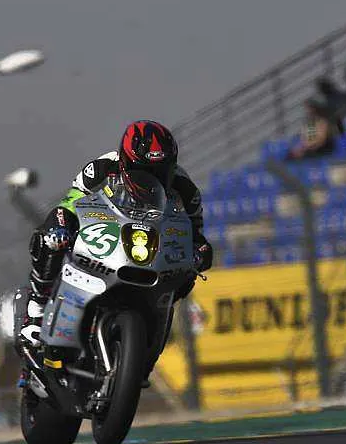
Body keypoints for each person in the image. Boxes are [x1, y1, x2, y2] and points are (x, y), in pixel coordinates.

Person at [15, 120, 213, 384]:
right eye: (144, 171)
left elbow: (196, 233)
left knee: (186, 277)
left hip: (151, 251)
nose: (152, 179)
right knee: (51, 236)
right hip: (108, 235)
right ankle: (36, 310)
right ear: (126, 162)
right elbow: (69, 204)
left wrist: (201, 252)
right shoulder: (101, 168)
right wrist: (61, 226)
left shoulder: (185, 188)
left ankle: (146, 353)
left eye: (161, 171)